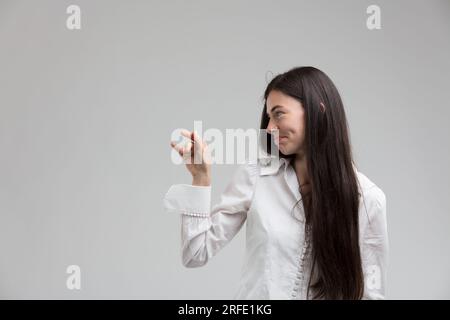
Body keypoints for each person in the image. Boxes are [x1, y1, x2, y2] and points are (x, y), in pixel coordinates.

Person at [163, 66, 388, 300]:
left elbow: (371, 294)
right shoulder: (256, 176)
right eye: (269, 116)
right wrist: (201, 178)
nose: (269, 128)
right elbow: (195, 254)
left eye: (279, 114)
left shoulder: (368, 199)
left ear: (318, 112)